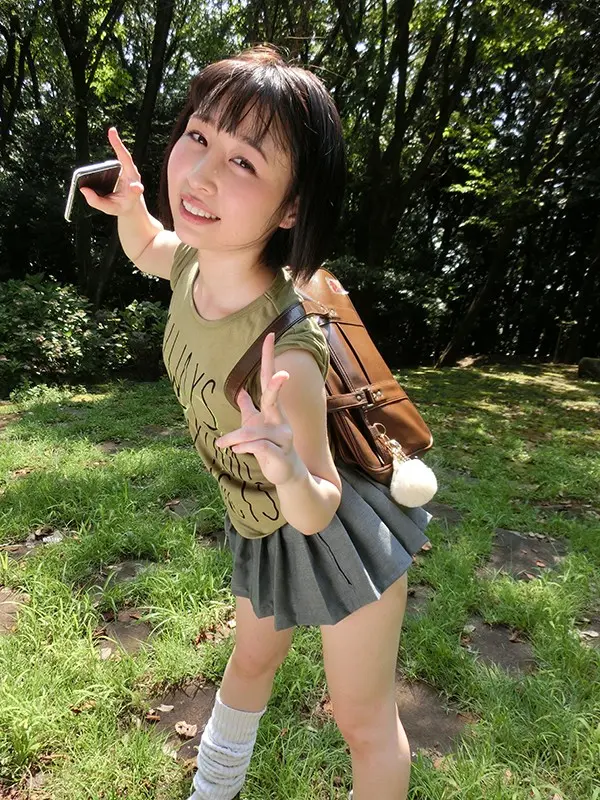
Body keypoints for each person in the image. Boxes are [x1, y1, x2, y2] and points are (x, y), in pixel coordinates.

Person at [80, 44, 432, 800]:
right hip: (259, 520)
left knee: (363, 721)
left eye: (244, 161)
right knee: (249, 663)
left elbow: (320, 504)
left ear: (291, 207)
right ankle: (213, 790)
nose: (202, 174)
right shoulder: (192, 261)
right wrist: (132, 207)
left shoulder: (287, 353)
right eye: (198, 136)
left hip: (335, 530)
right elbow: (149, 247)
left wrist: (286, 466)